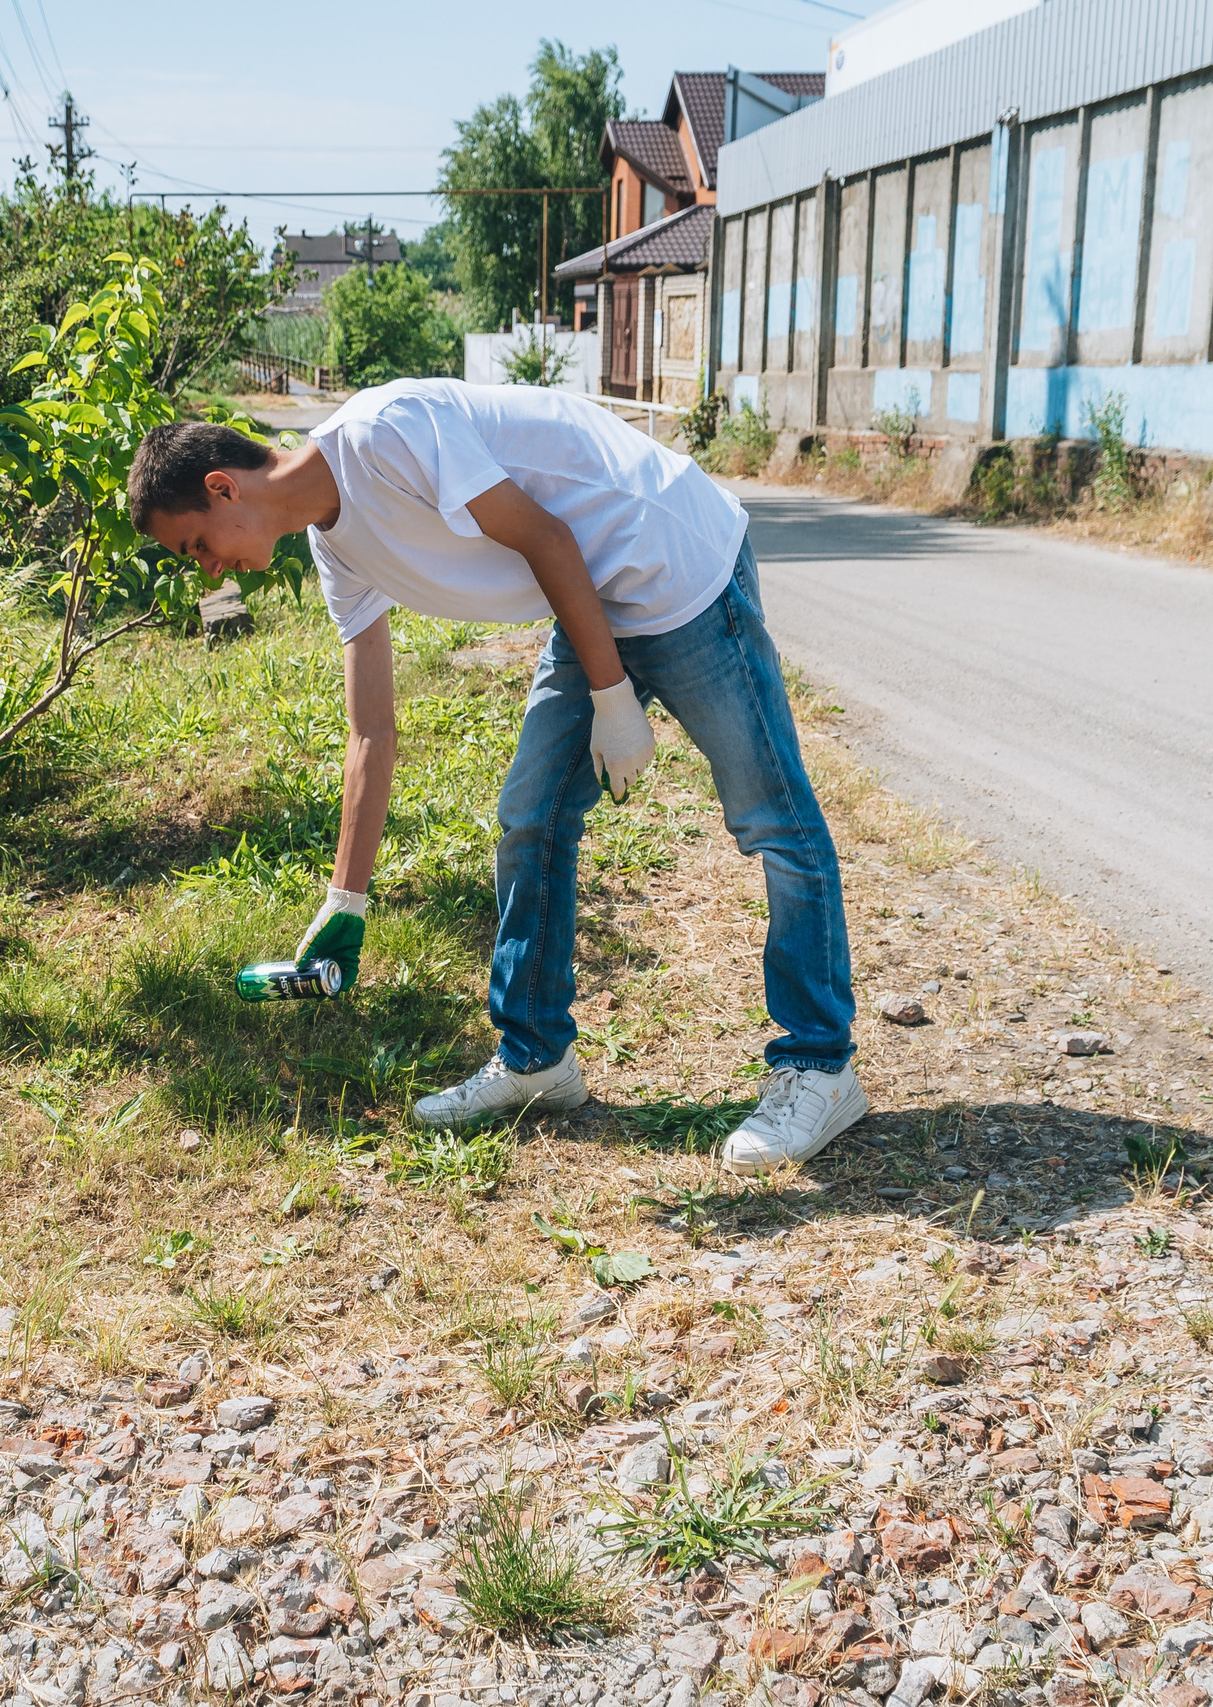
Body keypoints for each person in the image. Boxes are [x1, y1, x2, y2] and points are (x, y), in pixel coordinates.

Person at [126, 378, 861, 1171]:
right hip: (588, 593)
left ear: (222, 487)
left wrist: (612, 697)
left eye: (195, 546)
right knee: (531, 817)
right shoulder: (337, 551)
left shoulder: (384, 434)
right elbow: (371, 730)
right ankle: (537, 1056)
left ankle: (821, 1067)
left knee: (771, 815)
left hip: (670, 564)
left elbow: (546, 535)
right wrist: (345, 900)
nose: (209, 571)